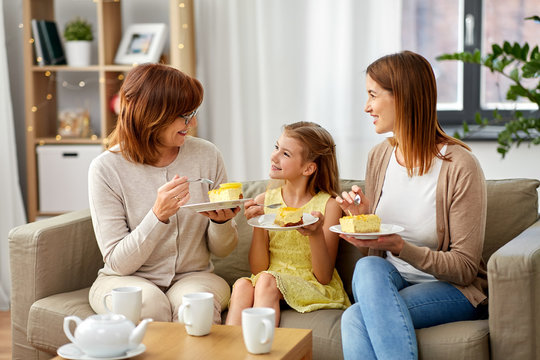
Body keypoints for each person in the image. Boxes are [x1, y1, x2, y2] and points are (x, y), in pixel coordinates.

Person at [337, 51, 487, 359]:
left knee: (355, 317)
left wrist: (402, 247)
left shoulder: (460, 166)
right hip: (393, 281)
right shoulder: (379, 157)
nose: (366, 107)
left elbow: (465, 267)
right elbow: (375, 252)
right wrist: (366, 222)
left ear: (402, 98)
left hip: (452, 289)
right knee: (368, 266)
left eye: (372, 95)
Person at [88, 63, 240, 324]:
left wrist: (221, 222)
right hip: (125, 278)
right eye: (185, 115)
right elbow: (118, 263)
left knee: (196, 307)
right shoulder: (106, 168)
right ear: (152, 115)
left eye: (193, 113)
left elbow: (223, 250)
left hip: (194, 276)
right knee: (147, 307)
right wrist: (157, 216)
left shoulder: (207, 155)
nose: (193, 123)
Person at [225, 122, 350, 326]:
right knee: (241, 285)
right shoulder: (264, 201)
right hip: (269, 279)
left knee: (265, 281)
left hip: (311, 283)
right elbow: (258, 269)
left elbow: (324, 276)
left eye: (286, 154)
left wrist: (316, 233)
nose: (274, 156)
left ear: (308, 168)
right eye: (276, 148)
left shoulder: (329, 206)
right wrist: (258, 223)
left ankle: (260, 354)